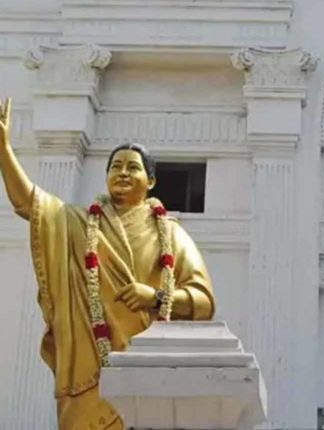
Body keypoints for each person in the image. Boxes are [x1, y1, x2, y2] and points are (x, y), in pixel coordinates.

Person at [0, 98, 215, 430]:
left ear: (151, 181)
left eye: (132, 167)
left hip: (149, 373)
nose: (123, 173)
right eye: (115, 166)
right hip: (89, 369)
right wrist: (4, 150)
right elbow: (28, 203)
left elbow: (204, 303)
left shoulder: (171, 233)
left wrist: (155, 297)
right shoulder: (77, 224)